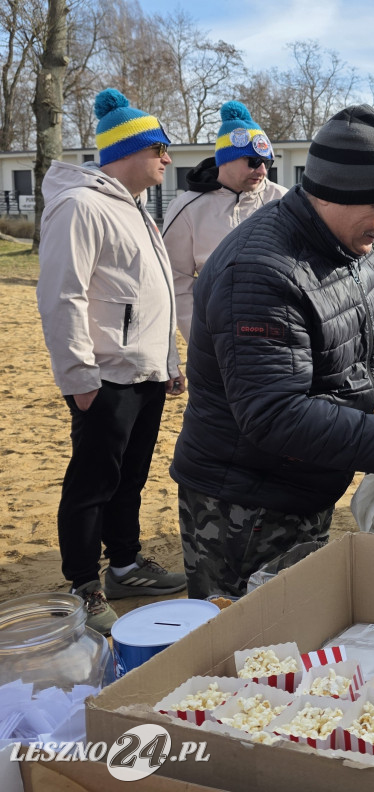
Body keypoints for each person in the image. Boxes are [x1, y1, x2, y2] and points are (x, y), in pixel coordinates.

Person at [170, 105, 374, 599]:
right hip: (245, 505)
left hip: (306, 480)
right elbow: (275, 415)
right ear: (335, 194)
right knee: (248, 648)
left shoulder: (348, 247)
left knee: (299, 631)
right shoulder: (261, 271)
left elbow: (372, 321)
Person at [36, 88, 187, 635]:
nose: (168, 159)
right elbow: (61, 294)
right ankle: (83, 583)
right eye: (160, 149)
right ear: (129, 149)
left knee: (131, 478)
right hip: (104, 375)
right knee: (93, 481)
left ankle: (124, 565)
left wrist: (168, 359)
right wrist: (78, 376)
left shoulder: (139, 210)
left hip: (143, 372)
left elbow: (155, 293)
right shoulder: (80, 206)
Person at [163, 101, 287, 342]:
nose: (261, 170)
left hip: (279, 337)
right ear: (225, 159)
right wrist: (200, 342)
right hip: (218, 340)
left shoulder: (284, 200)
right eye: (252, 161)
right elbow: (177, 283)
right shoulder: (186, 208)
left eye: (266, 162)